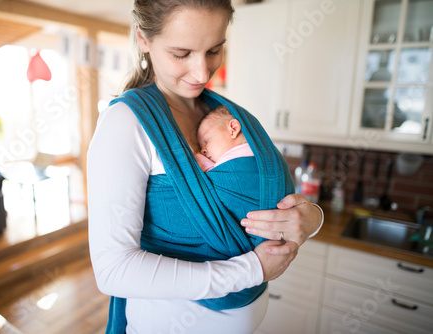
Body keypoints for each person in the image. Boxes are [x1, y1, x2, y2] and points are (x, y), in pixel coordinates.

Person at [87, 1, 324, 333]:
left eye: (214, 50)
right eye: (182, 54)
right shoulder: (125, 124)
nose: (202, 73)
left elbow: (260, 195)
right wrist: (252, 269)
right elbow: (114, 270)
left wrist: (309, 219)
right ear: (143, 39)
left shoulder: (228, 115)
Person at [195, 104, 253, 171]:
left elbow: (214, 175)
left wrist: (197, 158)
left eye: (206, 141)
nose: (202, 151)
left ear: (234, 129)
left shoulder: (229, 160)